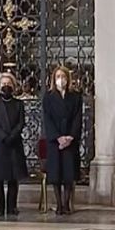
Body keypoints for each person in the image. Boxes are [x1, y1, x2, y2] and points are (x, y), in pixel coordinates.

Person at [0, 72, 28, 217]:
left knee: (13, 178)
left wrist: (12, 136)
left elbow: (21, 123)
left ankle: (12, 207)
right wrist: (4, 136)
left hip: (14, 144)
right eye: (3, 84)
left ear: (14, 86)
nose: (6, 86)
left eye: (8, 84)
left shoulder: (19, 104)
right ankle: (0, 207)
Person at [43, 67, 83, 215]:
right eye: (58, 76)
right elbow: (47, 119)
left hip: (70, 140)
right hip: (55, 141)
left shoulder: (75, 96)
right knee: (56, 174)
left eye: (64, 76)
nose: (61, 79)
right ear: (54, 79)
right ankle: (58, 204)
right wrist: (58, 137)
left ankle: (66, 204)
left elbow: (78, 118)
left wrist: (70, 136)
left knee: (69, 173)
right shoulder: (48, 97)